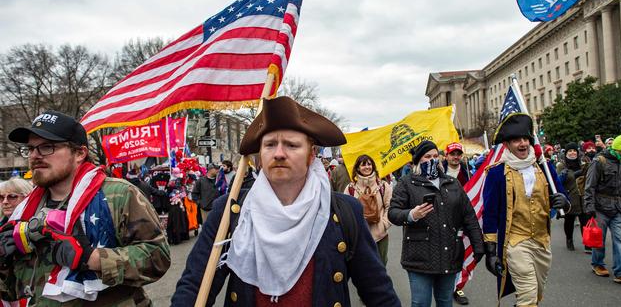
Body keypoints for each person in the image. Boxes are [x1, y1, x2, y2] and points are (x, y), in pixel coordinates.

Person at [172, 96, 400, 306]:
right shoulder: (230, 211)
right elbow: (194, 286)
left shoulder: (343, 211)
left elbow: (378, 292)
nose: (279, 153)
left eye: (292, 145)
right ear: (260, 155)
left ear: (312, 154)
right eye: (270, 144)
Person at [0, 110, 170, 305]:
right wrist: (4, 263)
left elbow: (158, 257)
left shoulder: (118, 195)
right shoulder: (25, 209)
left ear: (80, 153)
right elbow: (14, 291)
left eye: (47, 147)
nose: (34, 156)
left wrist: (91, 258)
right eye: (30, 148)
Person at [482, 113, 569, 307]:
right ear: (506, 145)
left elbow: (563, 196)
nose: (522, 144)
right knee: (528, 297)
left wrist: (563, 201)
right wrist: (490, 251)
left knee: (535, 293)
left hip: (542, 242)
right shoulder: (496, 173)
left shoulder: (544, 167)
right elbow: (490, 214)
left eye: (525, 139)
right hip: (516, 243)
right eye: (516, 140)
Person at [389, 140, 484, 307]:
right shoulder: (407, 182)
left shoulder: (451, 183)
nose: (432, 159)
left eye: (435, 156)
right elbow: (393, 213)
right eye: (427, 156)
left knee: (445, 302)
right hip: (419, 257)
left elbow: (469, 217)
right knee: (421, 303)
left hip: (449, 254)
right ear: (418, 160)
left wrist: (478, 245)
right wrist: (412, 214)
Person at [584, 135, 621, 285]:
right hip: (600, 206)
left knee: (620, 240)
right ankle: (598, 264)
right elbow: (590, 186)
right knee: (599, 239)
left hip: (618, 207)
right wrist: (589, 207)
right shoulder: (599, 161)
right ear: (619, 149)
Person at [343, 155, 393, 265]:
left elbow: (390, 207)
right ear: (357, 168)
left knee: (381, 266)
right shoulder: (350, 189)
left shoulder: (383, 186)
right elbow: (346, 212)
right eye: (363, 164)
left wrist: (383, 225)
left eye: (369, 164)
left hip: (380, 236)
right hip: (359, 237)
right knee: (363, 269)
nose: (367, 167)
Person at [440, 142, 471, 305]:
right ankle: (444, 285)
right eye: (453, 154)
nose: (456, 157)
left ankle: (458, 286)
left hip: (461, 219)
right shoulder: (439, 172)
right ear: (446, 156)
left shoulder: (467, 173)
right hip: (442, 219)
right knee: (444, 252)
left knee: (462, 253)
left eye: (458, 153)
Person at [556, 142, 589, 252]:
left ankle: (587, 242)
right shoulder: (561, 166)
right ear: (566, 153)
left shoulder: (583, 164)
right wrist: (562, 176)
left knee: (585, 221)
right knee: (569, 221)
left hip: (583, 197)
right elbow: (557, 182)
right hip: (570, 198)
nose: (572, 153)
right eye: (570, 151)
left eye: (574, 151)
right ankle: (569, 239)